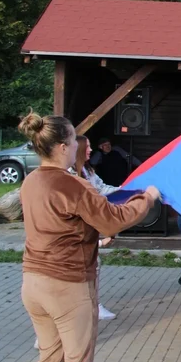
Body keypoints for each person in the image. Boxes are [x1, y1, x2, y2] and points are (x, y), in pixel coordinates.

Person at [18, 110, 160, 362]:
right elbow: (115, 219)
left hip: (32, 284)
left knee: (48, 359)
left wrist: (92, 237)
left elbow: (58, 226)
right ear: (62, 147)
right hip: (67, 287)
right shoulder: (74, 185)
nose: (80, 148)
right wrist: (147, 198)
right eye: (74, 141)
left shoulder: (30, 181)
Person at [75, 135, 118, 319]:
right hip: (78, 233)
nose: (91, 150)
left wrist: (128, 188)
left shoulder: (89, 171)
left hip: (90, 231)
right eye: (88, 146)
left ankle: (94, 304)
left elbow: (102, 189)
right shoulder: (70, 175)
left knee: (95, 266)